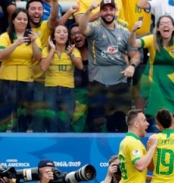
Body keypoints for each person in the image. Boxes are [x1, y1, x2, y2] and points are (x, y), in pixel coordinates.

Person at [79, 0, 140, 132]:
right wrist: (89, 10)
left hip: (120, 85)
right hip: (98, 84)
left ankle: (122, 152)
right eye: (105, 10)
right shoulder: (95, 27)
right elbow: (82, 28)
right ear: (100, 12)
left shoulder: (124, 32)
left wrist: (132, 66)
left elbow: (135, 55)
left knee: (121, 123)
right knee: (95, 123)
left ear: (115, 11)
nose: (108, 12)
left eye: (111, 9)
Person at [129, 15, 174, 119]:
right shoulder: (152, 39)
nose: (165, 25)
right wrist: (133, 31)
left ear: (173, 27)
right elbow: (133, 43)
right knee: (160, 119)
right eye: (162, 23)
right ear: (158, 28)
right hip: (157, 86)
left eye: (168, 23)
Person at [0, 8, 42, 132]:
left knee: (23, 114)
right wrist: (15, 44)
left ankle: (20, 141)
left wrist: (34, 42)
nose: (22, 22)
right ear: (13, 20)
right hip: (7, 79)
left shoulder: (33, 37)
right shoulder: (5, 36)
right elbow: (1, 55)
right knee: (5, 114)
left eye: (25, 19)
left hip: (26, 80)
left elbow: (38, 57)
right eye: (19, 19)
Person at [40, 25, 83, 132]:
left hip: (68, 90)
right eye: (58, 32)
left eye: (64, 32)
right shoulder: (46, 50)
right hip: (50, 90)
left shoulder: (73, 50)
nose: (62, 34)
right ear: (53, 37)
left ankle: (64, 148)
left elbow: (80, 66)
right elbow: (43, 67)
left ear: (68, 36)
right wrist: (52, 49)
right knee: (52, 124)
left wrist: (71, 55)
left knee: (66, 124)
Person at [26, 0, 59, 132]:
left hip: (45, 81)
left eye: (39, 9)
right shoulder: (21, 27)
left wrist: (55, 1)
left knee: (51, 119)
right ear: (27, 11)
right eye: (33, 9)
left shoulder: (45, 26)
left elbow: (53, 17)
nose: (36, 12)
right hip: (26, 81)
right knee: (36, 120)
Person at [69, 23, 89, 132]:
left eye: (79, 33)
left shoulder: (95, 49)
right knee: (77, 124)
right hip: (77, 94)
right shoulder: (68, 52)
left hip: (95, 92)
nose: (77, 36)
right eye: (73, 34)